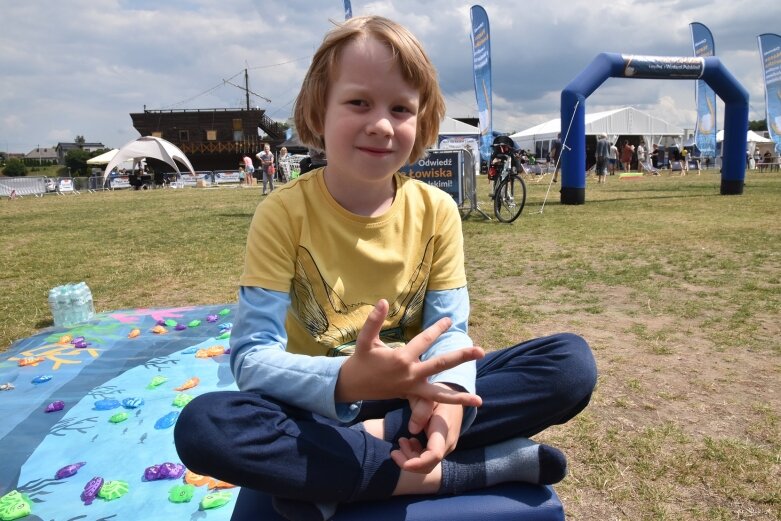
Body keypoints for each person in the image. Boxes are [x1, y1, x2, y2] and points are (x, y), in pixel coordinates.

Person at [174, 16, 596, 521]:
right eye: (358, 102)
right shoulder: (283, 212)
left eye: (401, 108)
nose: (380, 123)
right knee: (206, 425)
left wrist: (451, 400)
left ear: (422, 121)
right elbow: (251, 359)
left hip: (408, 398)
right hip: (320, 404)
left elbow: (449, 331)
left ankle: (348, 462)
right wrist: (350, 380)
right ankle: (451, 474)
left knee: (569, 364)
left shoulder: (436, 210)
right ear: (318, 110)